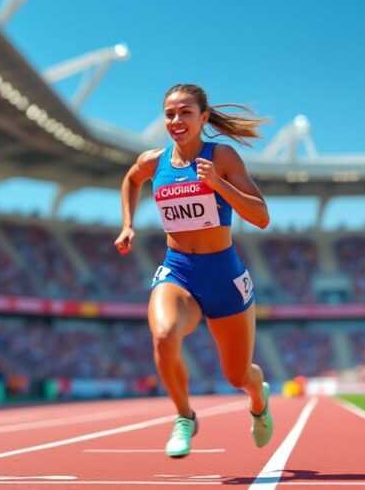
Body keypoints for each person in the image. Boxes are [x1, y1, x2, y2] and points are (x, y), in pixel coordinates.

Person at [115, 83, 272, 458]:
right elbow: (131, 179)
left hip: (224, 276)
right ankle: (184, 416)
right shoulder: (155, 161)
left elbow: (262, 217)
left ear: (203, 118)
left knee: (237, 375)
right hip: (178, 272)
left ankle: (258, 396)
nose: (176, 120)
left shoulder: (222, 156)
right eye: (170, 114)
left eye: (185, 112)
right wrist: (127, 223)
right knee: (164, 335)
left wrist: (217, 184)